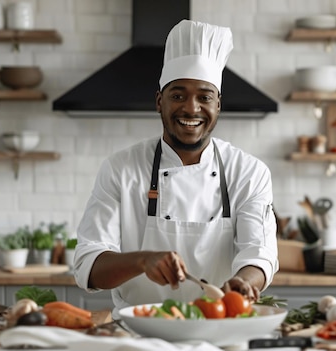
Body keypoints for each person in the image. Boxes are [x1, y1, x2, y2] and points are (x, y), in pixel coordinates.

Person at [73, 19, 278, 315]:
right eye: (178, 95)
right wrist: (142, 261)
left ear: (218, 104)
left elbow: (259, 252)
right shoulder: (121, 169)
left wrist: (244, 282)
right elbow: (88, 265)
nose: (191, 108)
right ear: (159, 101)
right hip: (138, 331)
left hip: (218, 326)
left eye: (204, 97)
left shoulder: (248, 171)